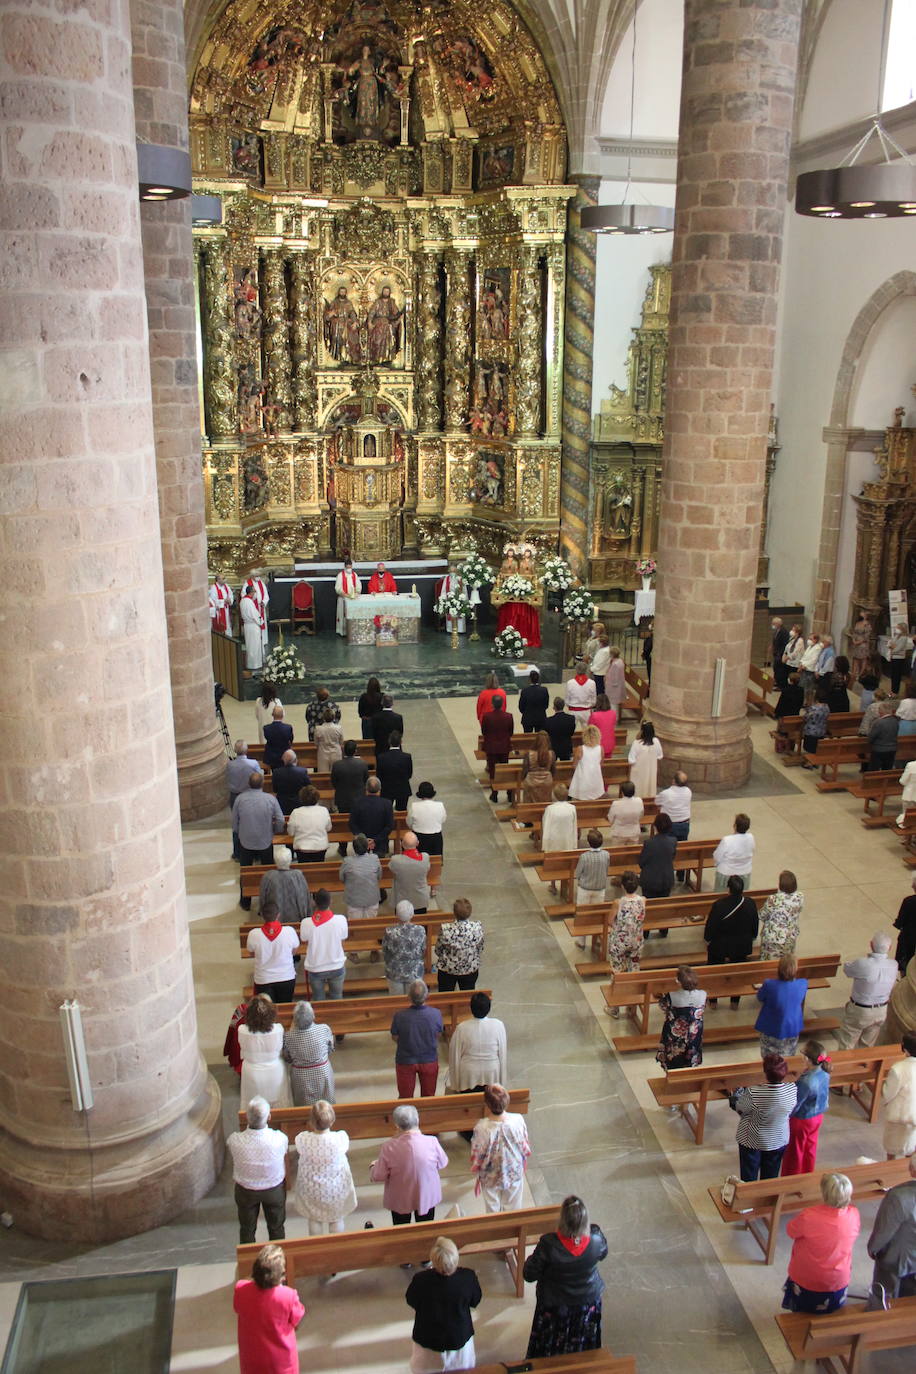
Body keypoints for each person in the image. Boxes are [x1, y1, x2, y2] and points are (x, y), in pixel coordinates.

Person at [523, 1196, 607, 1358]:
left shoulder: (549, 1244)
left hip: (555, 1306)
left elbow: (529, 1274)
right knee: (582, 1342)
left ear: (562, 1220)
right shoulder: (596, 1238)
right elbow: (602, 1253)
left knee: (551, 1345)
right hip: (587, 1302)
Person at [781, 1173, 860, 1314]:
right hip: (838, 1278)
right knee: (831, 1313)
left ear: (824, 1193)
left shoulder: (809, 1215)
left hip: (807, 1276)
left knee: (801, 1313)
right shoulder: (853, 1214)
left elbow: (790, 1231)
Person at [404, 1236, 482, 1372]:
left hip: (428, 1337)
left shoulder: (420, 1280)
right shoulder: (468, 1277)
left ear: (433, 1259)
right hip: (458, 1336)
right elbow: (475, 1300)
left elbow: (411, 1300)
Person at [370, 1102, 447, 1227]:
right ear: (418, 1120)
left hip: (400, 1197)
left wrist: (373, 1166)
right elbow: (443, 1162)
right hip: (426, 1193)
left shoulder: (389, 1147)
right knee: (426, 1227)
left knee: (401, 1226)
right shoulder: (432, 1142)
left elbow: (379, 1175)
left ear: (397, 1126)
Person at [227, 1097, 290, 1245]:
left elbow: (231, 1148)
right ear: (269, 1117)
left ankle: (249, 1262)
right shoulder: (279, 1138)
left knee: (247, 1229)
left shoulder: (235, 1140)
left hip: (246, 1190)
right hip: (273, 1189)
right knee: (276, 1227)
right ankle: (277, 1259)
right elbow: (284, 1151)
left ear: (247, 1117)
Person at [234, 1243, 304, 1374]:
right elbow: (297, 1317)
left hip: (252, 1358)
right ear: (281, 1274)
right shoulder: (288, 1296)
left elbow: (238, 1307)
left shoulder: (241, 1289)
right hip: (280, 1362)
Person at [291, 1099, 357, 1235]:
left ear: (311, 1121)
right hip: (335, 1188)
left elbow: (298, 1143)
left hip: (312, 1188)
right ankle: (336, 1246)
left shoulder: (303, 1139)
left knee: (314, 1218)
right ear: (332, 1120)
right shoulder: (340, 1138)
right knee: (337, 1218)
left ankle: (316, 1245)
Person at [729, 1053, 797, 1181]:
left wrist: (735, 1095)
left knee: (749, 1175)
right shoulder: (792, 1089)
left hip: (752, 1139)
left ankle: (750, 1197)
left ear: (765, 1072)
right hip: (778, 1138)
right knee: (771, 1176)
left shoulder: (754, 1092)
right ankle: (766, 1198)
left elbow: (740, 1108)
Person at [470, 1084, 530, 1212]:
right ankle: (512, 1228)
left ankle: (496, 1230)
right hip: (513, 1170)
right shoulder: (518, 1120)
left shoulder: (481, 1127)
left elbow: (477, 1154)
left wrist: (477, 1169)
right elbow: (524, 1145)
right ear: (507, 1101)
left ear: (487, 1103)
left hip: (489, 1174)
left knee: (492, 1208)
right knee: (513, 1208)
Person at [866, 1153, 916, 1305]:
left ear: (913, 1170)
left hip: (899, 1260)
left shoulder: (899, 1197)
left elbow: (883, 1232)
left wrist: (873, 1249)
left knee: (885, 1297)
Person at [834, 931, 899, 1049]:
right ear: (890, 948)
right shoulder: (894, 965)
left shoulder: (863, 964)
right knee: (868, 1046)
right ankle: (864, 1065)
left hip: (861, 1010)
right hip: (881, 1010)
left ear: (871, 945)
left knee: (847, 1043)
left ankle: (844, 1066)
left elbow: (847, 969)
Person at [704, 876, 759, 1007]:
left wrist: (708, 939)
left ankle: (713, 1001)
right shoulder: (750, 903)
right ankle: (735, 1001)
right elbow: (755, 924)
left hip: (720, 945)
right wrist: (752, 937)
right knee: (737, 972)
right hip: (742, 945)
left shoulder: (719, 905)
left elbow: (711, 926)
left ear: (728, 889)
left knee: (714, 970)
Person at [234, 773, 285, 910]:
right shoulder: (270, 799)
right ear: (262, 784)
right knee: (268, 872)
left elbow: (234, 823)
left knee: (245, 871)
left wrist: (241, 833)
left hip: (246, 842)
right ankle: (269, 900)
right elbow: (280, 820)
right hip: (265, 841)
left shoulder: (240, 799)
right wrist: (275, 830)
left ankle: (245, 902)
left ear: (249, 784)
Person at [783, 1040, 832, 1176]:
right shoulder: (824, 1071)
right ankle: (807, 1173)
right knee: (810, 1148)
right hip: (817, 1116)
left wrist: (786, 1116)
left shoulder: (806, 1081)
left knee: (795, 1151)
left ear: (807, 1058)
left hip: (802, 1120)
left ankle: (791, 1179)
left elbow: (796, 1103)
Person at [447, 991, 507, 1092]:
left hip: (469, 1073)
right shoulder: (498, 1025)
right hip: (491, 1071)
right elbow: (502, 1053)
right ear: (489, 1008)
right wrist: (502, 1082)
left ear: (471, 1008)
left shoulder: (462, 1027)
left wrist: (455, 1083)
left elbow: (454, 1055)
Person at [239, 997, 291, 1109]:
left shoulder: (242, 1030)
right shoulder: (278, 1029)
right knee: (278, 1107)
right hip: (274, 1071)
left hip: (252, 1072)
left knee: (255, 1109)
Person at [282, 1000, 335, 1105]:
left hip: (300, 1076)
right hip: (322, 1071)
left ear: (294, 1020)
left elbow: (287, 1058)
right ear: (313, 1016)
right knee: (326, 1105)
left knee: (303, 1108)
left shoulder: (288, 1036)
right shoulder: (324, 1029)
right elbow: (330, 1049)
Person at [755, 953, 809, 1057]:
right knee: (788, 1056)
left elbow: (760, 997)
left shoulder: (769, 984)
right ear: (795, 969)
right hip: (791, 1027)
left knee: (769, 1059)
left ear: (779, 969)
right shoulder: (803, 983)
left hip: (771, 1027)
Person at [247, 899, 300, 1004]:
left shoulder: (253, 934)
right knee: (285, 1005)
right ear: (278, 915)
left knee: (266, 1009)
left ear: (262, 916)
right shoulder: (289, 931)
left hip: (263, 979)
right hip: (286, 977)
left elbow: (251, 953)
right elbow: (294, 950)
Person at [656, 965, 706, 1069]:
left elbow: (663, 1006)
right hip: (694, 1033)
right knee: (691, 1056)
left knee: (674, 1060)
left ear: (679, 982)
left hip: (677, 1035)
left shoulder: (672, 996)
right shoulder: (703, 994)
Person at [605, 871, 645, 990]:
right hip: (636, 940)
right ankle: (631, 1001)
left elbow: (610, 921)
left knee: (617, 969)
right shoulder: (643, 900)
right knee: (634, 969)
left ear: (622, 886)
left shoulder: (618, 902)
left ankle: (614, 1003)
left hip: (620, 942)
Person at [434, 898, 483, 992]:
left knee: (445, 996)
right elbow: (480, 948)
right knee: (467, 998)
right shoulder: (477, 927)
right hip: (469, 968)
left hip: (448, 969)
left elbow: (438, 950)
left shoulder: (446, 929)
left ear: (454, 913)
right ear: (470, 912)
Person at [259, 846, 314, 925]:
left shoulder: (268, 877)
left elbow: (262, 899)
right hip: (296, 918)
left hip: (274, 918)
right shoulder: (298, 876)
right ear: (290, 860)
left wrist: (263, 913)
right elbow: (305, 897)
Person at [881, 1032, 916, 1158]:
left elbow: (889, 1093)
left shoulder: (898, 1068)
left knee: (892, 1148)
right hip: (914, 1115)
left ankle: (890, 1171)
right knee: (911, 1147)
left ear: (904, 1048)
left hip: (899, 1115)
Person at [383, 901, 427, 995]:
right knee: (414, 1001)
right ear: (412, 914)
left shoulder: (389, 932)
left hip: (395, 972)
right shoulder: (420, 930)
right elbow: (423, 950)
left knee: (396, 1003)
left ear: (397, 915)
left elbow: (385, 952)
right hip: (414, 972)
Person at [759, 870, 804, 960]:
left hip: (773, 938)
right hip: (789, 937)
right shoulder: (800, 897)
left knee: (768, 964)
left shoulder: (774, 898)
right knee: (785, 962)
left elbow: (762, 915)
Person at [573, 829, 610, 940]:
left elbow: (577, 873)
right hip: (600, 888)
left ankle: (581, 941)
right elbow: (606, 869)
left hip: (585, 888)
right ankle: (597, 938)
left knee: (582, 915)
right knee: (597, 915)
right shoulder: (606, 855)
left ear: (588, 842)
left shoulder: (584, 856)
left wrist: (581, 879)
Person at [228, 742, 261, 861]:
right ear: (246, 751)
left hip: (235, 796)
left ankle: (237, 853)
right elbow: (259, 776)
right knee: (253, 821)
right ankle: (255, 853)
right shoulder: (253, 764)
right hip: (250, 795)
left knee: (236, 823)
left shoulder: (230, 764)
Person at [542, 784, 578, 893]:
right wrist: (574, 842)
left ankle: (553, 885)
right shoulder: (572, 808)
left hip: (554, 839)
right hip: (567, 838)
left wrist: (545, 843)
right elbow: (574, 824)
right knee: (566, 860)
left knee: (554, 861)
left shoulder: (550, 809)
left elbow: (546, 824)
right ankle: (566, 882)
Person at [330, 740, 369, 839]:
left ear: (343, 750)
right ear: (355, 751)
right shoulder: (362, 763)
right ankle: (361, 845)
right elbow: (366, 781)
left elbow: (334, 782)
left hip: (342, 799)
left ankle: (343, 847)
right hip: (359, 798)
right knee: (360, 822)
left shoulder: (337, 765)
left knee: (343, 824)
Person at [481, 693, 515, 803]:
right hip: (504, 747)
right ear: (502, 704)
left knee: (493, 771)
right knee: (504, 770)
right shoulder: (508, 716)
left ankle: (494, 794)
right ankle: (509, 794)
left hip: (491, 748)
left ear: (492, 704)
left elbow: (484, 731)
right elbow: (510, 732)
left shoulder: (486, 716)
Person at [350, 775, 395, 857]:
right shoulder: (387, 804)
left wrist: (363, 839)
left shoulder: (357, 803)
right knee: (379, 865)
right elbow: (389, 826)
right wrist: (375, 840)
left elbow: (352, 823)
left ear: (366, 789)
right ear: (379, 790)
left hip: (361, 844)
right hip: (381, 843)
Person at [340, 833, 382, 921]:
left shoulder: (347, 861)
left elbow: (342, 878)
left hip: (354, 899)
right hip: (371, 898)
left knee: (355, 926)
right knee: (370, 925)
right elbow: (379, 876)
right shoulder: (374, 859)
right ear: (367, 847)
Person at [287, 784, 332, 863]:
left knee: (303, 868)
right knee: (319, 868)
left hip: (302, 847)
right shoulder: (324, 810)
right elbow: (329, 828)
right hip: (320, 846)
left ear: (301, 798)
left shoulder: (296, 812)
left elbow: (291, 833)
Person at [390, 831, 431, 914]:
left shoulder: (395, 860)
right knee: (421, 923)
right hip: (420, 899)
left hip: (402, 899)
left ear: (402, 844)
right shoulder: (425, 858)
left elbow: (392, 869)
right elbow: (427, 868)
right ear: (418, 843)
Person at [639, 811, 676, 903]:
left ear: (655, 827)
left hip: (650, 880)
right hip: (666, 879)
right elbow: (672, 857)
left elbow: (641, 862)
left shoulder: (649, 843)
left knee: (648, 905)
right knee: (663, 905)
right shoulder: (673, 841)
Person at [713, 812, 755, 890]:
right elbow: (752, 851)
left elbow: (717, 856)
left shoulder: (727, 840)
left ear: (735, 826)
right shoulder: (751, 838)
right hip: (744, 873)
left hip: (726, 874)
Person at [408, 781, 447, 860]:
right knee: (435, 861)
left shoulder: (414, 806)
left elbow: (409, 822)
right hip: (436, 837)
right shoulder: (440, 805)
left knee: (419, 860)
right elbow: (443, 819)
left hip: (419, 837)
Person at [377, 729, 414, 810]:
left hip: (387, 789)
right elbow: (409, 774)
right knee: (402, 812)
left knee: (386, 812)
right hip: (402, 789)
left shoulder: (381, 757)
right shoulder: (406, 757)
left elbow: (379, 775)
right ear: (401, 742)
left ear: (389, 742)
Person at [568, 723, 605, 802]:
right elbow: (601, 763)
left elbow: (574, 765)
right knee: (595, 799)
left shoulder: (580, 749)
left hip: (583, 780)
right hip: (595, 778)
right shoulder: (600, 748)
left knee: (581, 800)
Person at [628, 721, 663, 800]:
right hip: (651, 771)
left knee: (638, 791)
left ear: (642, 731)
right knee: (649, 791)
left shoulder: (636, 743)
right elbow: (660, 756)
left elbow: (631, 760)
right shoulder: (656, 742)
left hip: (638, 773)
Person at [270, 750, 310, 817]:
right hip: (299, 803)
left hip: (282, 805)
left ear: (283, 760)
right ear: (295, 760)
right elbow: (308, 787)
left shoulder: (276, 772)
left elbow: (275, 789)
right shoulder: (302, 771)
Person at [521, 731, 556, 805]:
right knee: (545, 804)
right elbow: (553, 771)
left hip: (531, 781)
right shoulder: (551, 754)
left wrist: (523, 779)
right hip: (547, 781)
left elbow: (525, 770)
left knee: (530, 805)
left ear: (536, 741)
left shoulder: (529, 754)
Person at [607, 781, 644, 845]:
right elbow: (641, 816)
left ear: (622, 792)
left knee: (617, 853)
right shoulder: (639, 801)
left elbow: (610, 819)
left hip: (619, 833)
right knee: (632, 853)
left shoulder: (616, 804)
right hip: (634, 833)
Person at [800, 688, 830, 764]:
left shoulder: (814, 708)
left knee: (810, 748)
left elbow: (806, 717)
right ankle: (815, 762)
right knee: (816, 747)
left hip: (811, 731)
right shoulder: (826, 707)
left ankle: (809, 763)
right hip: (821, 730)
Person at [894, 874, 916, 976]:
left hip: (908, 941)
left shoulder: (909, 901)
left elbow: (899, 923)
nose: (912, 886)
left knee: (905, 966)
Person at [868, 700, 900, 771]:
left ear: (881, 712)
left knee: (873, 769)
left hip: (879, 749)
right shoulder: (895, 721)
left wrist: (870, 742)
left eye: (879, 710)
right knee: (887, 769)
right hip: (892, 749)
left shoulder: (879, 723)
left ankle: (874, 781)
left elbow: (871, 737)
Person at [240, 584, 265, 671]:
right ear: (251, 592)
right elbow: (254, 615)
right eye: (254, 591)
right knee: (254, 645)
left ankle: (251, 663)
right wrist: (261, 621)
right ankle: (254, 664)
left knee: (250, 645)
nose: (255, 593)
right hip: (253, 626)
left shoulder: (243, 601)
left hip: (247, 626)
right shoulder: (249, 602)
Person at [334, 557, 361, 636]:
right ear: (345, 567)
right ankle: (343, 631)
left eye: (350, 567)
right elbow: (337, 588)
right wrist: (345, 594)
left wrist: (356, 592)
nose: (349, 569)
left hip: (353, 599)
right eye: (347, 567)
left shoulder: (354, 575)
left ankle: (353, 631)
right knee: (343, 616)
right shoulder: (340, 575)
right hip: (343, 599)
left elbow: (358, 585)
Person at [545, 697, 577, 761]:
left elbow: (548, 734)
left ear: (554, 707)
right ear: (563, 706)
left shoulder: (549, 721)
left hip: (553, 748)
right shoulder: (571, 719)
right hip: (566, 747)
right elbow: (571, 732)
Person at [314, 707, 344, 773]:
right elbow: (341, 743)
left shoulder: (318, 729)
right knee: (337, 775)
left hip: (323, 754)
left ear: (323, 718)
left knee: (323, 775)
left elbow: (316, 743)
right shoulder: (339, 728)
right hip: (336, 753)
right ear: (333, 717)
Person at [588, 694, 618, 758]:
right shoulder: (613, 713)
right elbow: (613, 725)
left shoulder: (594, 715)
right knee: (608, 762)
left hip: (598, 744)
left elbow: (589, 729)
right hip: (610, 743)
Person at [889, 622, 913, 695]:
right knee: (893, 675)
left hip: (899, 659)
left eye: (898, 628)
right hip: (893, 657)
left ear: (902, 629)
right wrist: (892, 646)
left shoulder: (904, 638)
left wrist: (892, 648)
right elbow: (890, 643)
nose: (896, 629)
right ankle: (892, 691)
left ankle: (895, 692)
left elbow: (898, 649)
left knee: (897, 676)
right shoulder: (897, 636)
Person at [357, 675, 384, 740]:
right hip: (379, 722)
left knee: (367, 742)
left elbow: (360, 712)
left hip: (367, 722)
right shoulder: (382, 696)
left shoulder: (363, 697)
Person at [850, 613, 874, 683]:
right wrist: (854, 640)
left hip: (863, 643)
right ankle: (854, 674)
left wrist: (860, 642)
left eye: (863, 613)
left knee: (863, 659)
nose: (861, 613)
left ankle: (860, 674)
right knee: (855, 658)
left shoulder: (867, 624)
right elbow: (854, 632)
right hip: (856, 643)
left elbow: (867, 635)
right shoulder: (857, 623)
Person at [770, 617, 791, 689]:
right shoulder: (777, 630)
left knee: (780, 670)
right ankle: (776, 681)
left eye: (774, 623)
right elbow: (775, 640)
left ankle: (780, 685)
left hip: (780, 654)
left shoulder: (784, 632)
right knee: (775, 668)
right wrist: (772, 646)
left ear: (779, 624)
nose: (773, 625)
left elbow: (785, 644)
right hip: (776, 653)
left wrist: (779, 653)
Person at [605, 645, 626, 713]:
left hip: (614, 688)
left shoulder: (616, 664)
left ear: (612, 654)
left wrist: (607, 681)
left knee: (613, 705)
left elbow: (615, 678)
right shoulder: (619, 661)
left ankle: (613, 720)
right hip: (615, 687)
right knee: (612, 704)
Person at [590, 629, 610, 697]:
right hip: (598, 672)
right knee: (598, 689)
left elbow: (600, 664)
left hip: (600, 673)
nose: (598, 643)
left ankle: (600, 704)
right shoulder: (603, 650)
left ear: (602, 643)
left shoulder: (604, 652)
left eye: (599, 642)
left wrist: (592, 669)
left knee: (599, 690)